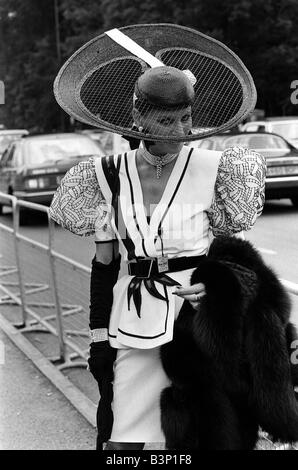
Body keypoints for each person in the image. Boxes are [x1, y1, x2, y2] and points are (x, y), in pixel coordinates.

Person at [49, 24, 266, 450]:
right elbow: (105, 263)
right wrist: (97, 337)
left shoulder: (217, 169)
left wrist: (220, 287)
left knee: (199, 439)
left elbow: (234, 253)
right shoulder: (105, 176)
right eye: (167, 121)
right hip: (131, 324)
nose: (181, 130)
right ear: (138, 118)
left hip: (199, 327)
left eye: (186, 118)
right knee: (126, 444)